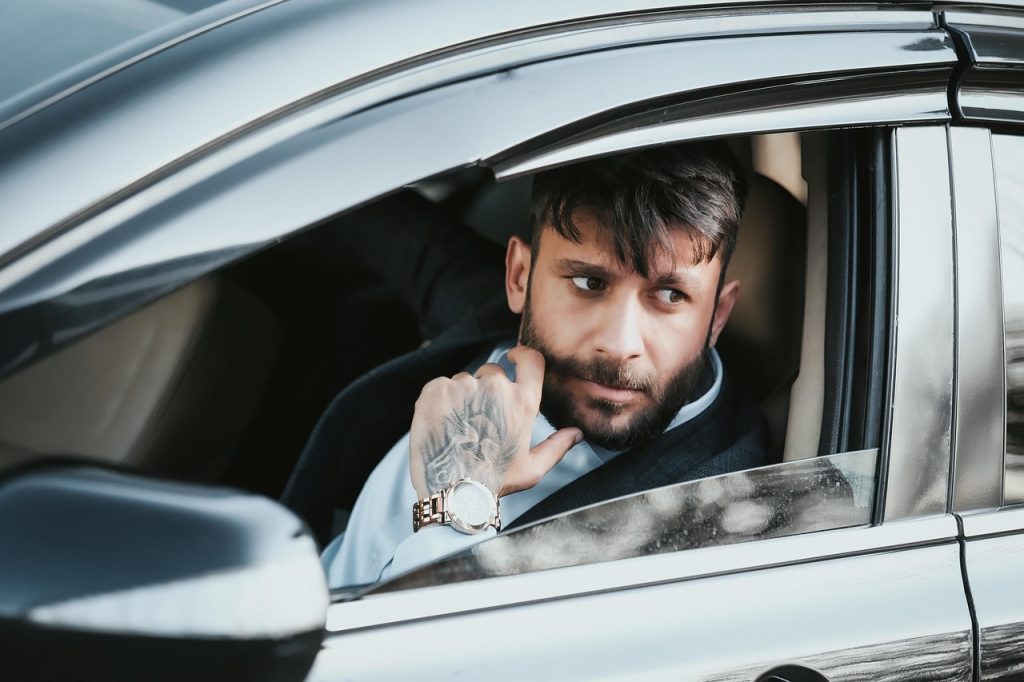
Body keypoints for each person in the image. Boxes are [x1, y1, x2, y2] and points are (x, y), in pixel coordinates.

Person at [282, 142, 768, 587]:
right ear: (519, 277)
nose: (620, 345)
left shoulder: (714, 515)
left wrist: (462, 505)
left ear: (716, 317)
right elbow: (389, 228)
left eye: (669, 295)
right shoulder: (486, 305)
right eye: (588, 284)